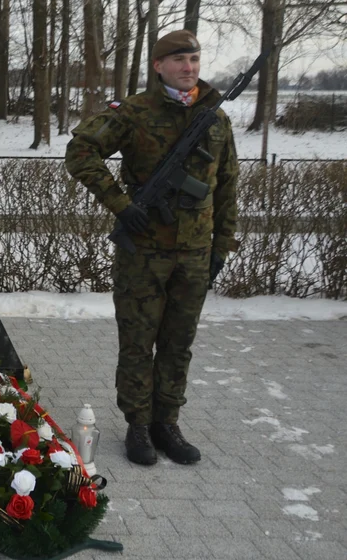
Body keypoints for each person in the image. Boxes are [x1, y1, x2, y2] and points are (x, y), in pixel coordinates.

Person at [64, 29, 239, 466]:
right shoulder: (134, 112)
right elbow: (81, 150)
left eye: (194, 60)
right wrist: (121, 205)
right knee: (139, 342)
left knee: (179, 342)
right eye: (179, 60)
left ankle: (167, 422)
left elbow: (227, 186)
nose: (189, 68)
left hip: (195, 253)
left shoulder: (216, 119)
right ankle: (138, 425)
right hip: (143, 251)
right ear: (159, 66)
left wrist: (222, 245)